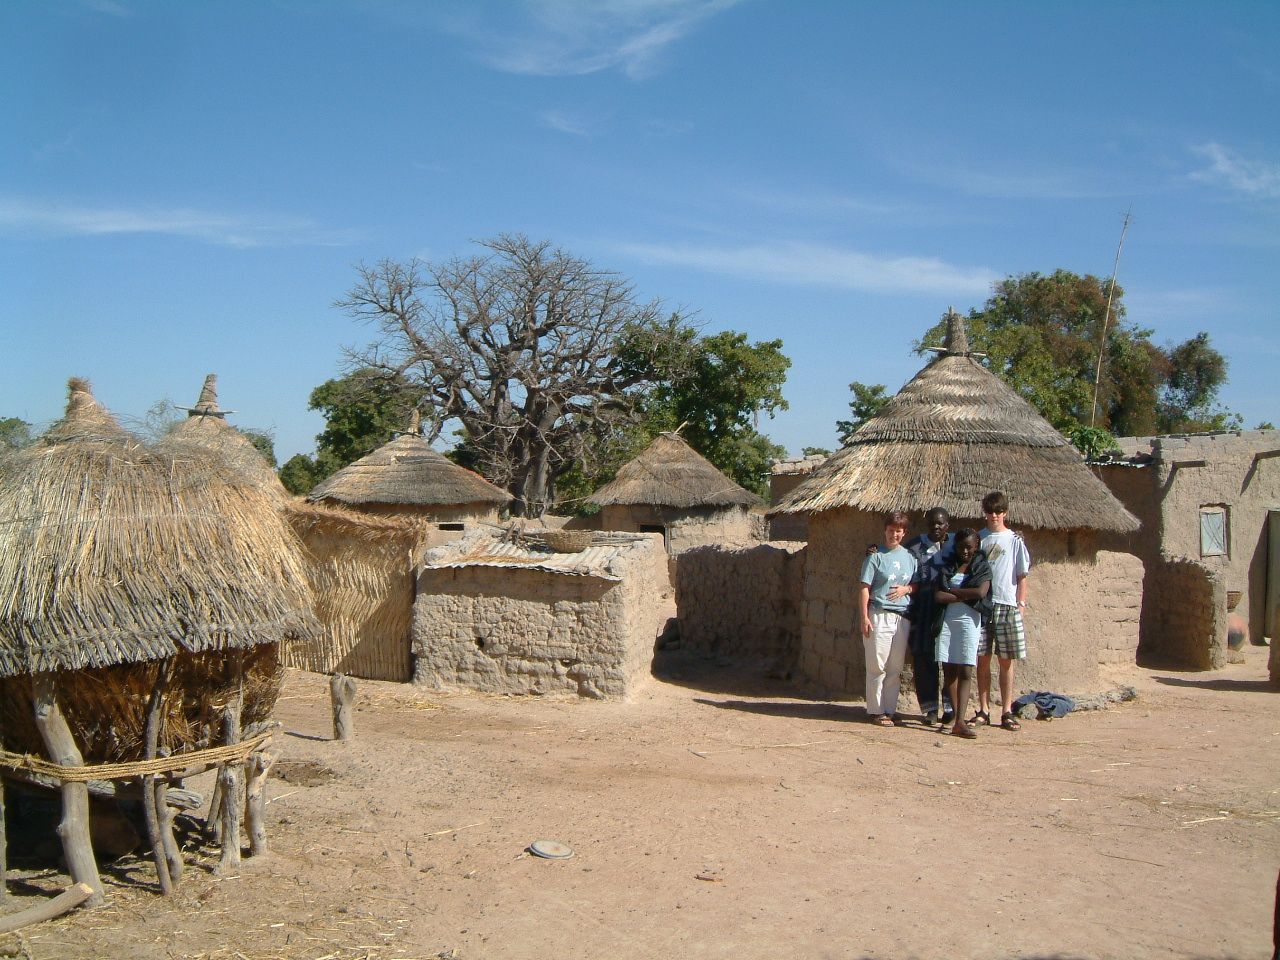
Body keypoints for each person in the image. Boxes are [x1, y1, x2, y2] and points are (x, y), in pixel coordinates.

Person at [976, 491, 1031, 732]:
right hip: (984, 606)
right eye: (990, 511)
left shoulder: (1014, 540)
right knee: (982, 659)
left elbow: (1022, 575)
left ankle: (1006, 709)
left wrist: (1021, 604)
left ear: (1005, 512)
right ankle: (983, 709)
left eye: (998, 511)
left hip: (1007, 605)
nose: (994, 516)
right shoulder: (980, 539)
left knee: (1006, 660)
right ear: (984, 513)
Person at [859, 511, 917, 727]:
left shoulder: (910, 558)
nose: (894, 534)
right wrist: (864, 616)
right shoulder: (875, 557)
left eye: (898, 531)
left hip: (901, 617)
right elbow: (865, 588)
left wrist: (907, 588)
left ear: (904, 533)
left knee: (895, 666)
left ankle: (890, 709)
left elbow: (917, 583)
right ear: (885, 531)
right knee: (877, 665)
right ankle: (876, 710)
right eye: (891, 530)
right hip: (879, 613)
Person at [933, 529, 991, 739]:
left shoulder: (982, 567)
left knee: (966, 669)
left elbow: (980, 593)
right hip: (947, 620)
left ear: (977, 546)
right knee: (948, 670)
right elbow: (938, 595)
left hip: (969, 621)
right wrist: (962, 595)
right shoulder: (949, 566)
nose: (965, 551)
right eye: (961, 547)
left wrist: (954, 592)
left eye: (969, 547)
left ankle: (960, 721)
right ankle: (956, 718)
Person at [905, 507, 954, 726]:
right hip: (922, 608)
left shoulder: (956, 543)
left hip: (949, 609)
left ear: (947, 525)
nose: (936, 527)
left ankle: (951, 707)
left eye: (940, 523)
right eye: (932, 523)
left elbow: (981, 551)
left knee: (950, 659)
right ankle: (930, 709)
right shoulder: (914, 546)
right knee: (924, 658)